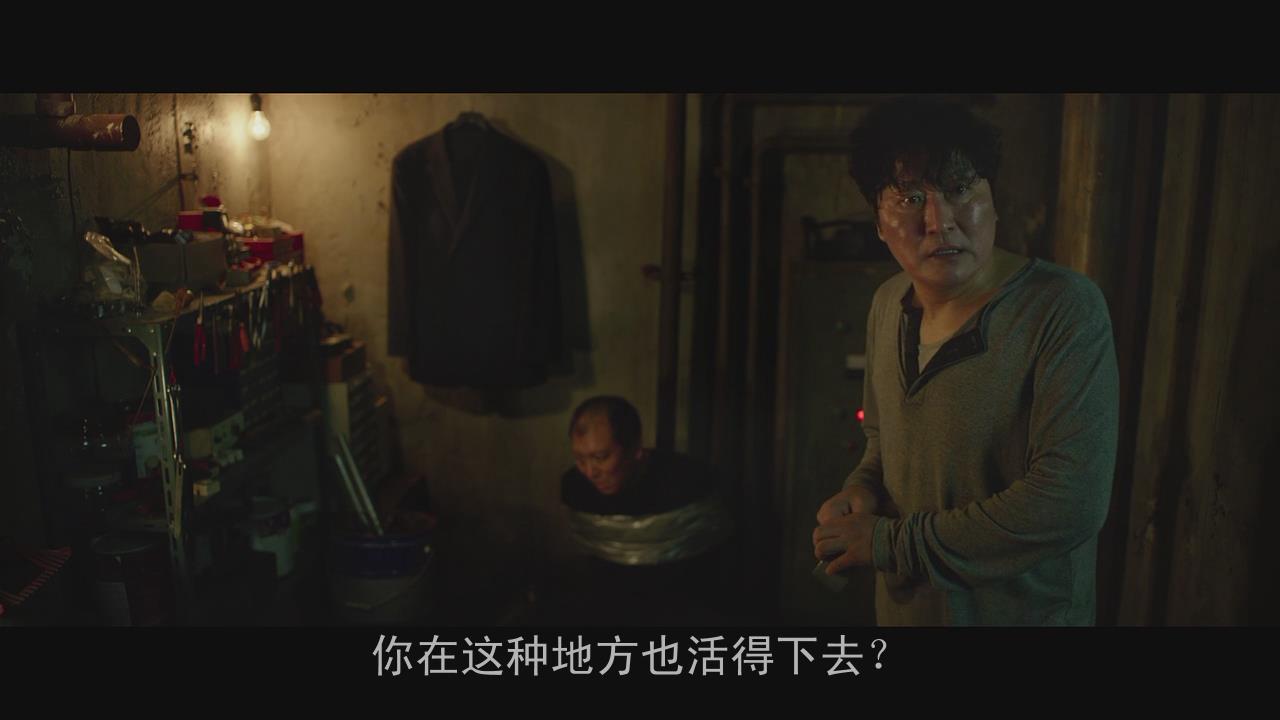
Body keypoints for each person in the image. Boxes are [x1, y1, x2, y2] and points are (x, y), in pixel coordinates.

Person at [812, 96, 1119, 626]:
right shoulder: (888, 303)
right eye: (910, 198)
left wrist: (888, 544)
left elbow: (1068, 503)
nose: (939, 222)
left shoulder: (1061, 308)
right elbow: (883, 440)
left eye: (959, 190)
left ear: (993, 202)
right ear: (879, 223)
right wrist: (862, 488)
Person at [547, 396, 728, 625]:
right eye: (580, 458)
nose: (590, 472)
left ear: (635, 449)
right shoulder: (576, 488)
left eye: (600, 457)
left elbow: (710, 570)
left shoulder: (687, 486)